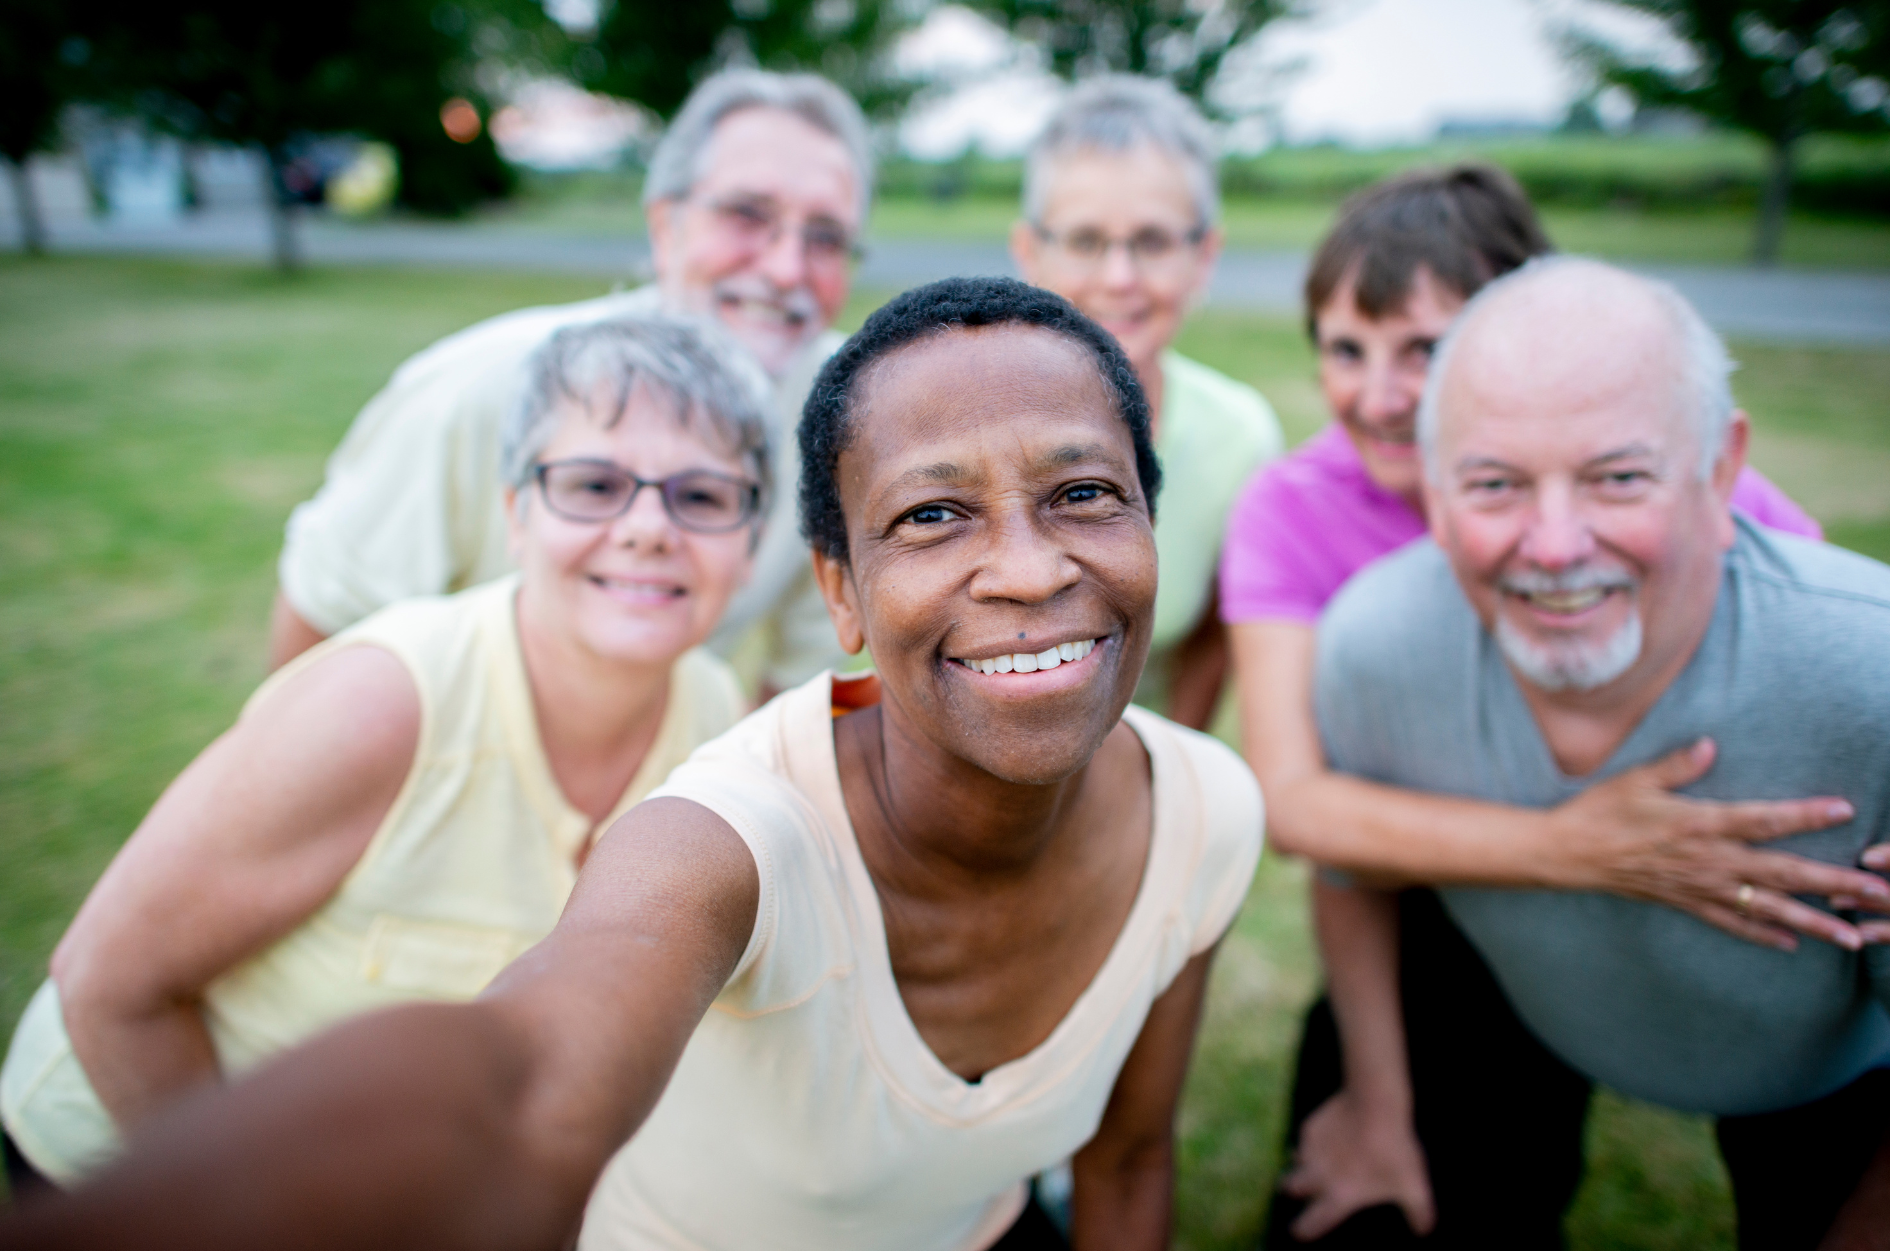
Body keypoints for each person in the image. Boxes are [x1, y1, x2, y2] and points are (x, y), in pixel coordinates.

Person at [0, 278, 1263, 1251]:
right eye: (931, 513)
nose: (1032, 569)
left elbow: (1132, 1157)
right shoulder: (723, 820)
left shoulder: (1204, 814)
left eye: (1086, 493)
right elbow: (527, 1081)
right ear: (840, 591)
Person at [1214, 167, 1877, 1248]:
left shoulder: (1683, 497)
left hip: (1694, 851)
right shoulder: (1300, 516)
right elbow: (1302, 804)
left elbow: (1809, 660)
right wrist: (1577, 847)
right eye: (1345, 347)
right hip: (1450, 865)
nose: (1378, 394)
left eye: (1421, 349)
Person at [0, 314, 769, 1193]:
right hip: (134, 1166)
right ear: (516, 516)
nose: (647, 527)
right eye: (593, 484)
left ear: (750, 542)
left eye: (702, 496)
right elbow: (107, 986)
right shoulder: (381, 704)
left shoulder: (712, 720)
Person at [268, 68, 872, 694]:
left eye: (827, 238)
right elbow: (320, 633)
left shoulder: (848, 417)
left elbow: (798, 688)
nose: (785, 268)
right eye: (747, 214)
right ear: (666, 226)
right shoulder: (480, 387)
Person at [1011, 74, 1282, 729]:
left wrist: (1163, 784)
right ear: (1029, 251)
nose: (1120, 278)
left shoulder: (1238, 438)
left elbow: (1211, 642)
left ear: (1204, 256)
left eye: (1153, 242)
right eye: (1085, 240)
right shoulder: (953, 420)